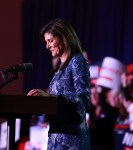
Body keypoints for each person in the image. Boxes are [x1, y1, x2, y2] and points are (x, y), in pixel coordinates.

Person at [27, 18, 91, 150]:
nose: (47, 46)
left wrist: (50, 98)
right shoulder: (59, 69)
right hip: (56, 141)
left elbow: (83, 101)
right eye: (46, 42)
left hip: (72, 142)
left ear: (64, 37)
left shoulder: (77, 61)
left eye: (50, 41)